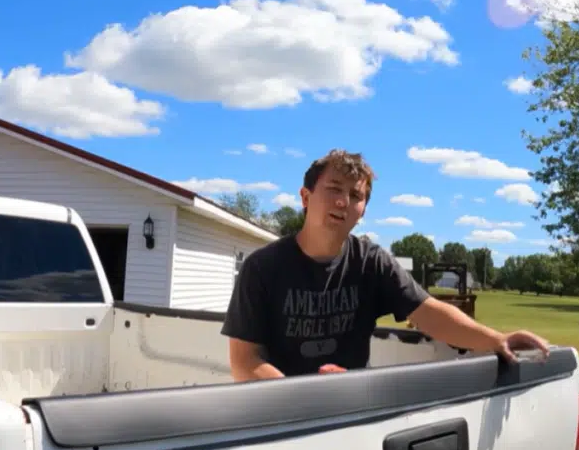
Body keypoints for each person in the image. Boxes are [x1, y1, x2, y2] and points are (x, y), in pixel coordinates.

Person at [221, 148, 550, 382]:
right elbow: (244, 361)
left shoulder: (371, 262)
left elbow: (429, 312)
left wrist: (496, 339)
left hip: (354, 414)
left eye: (355, 195)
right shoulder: (262, 268)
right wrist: (306, 398)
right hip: (279, 419)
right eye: (334, 189)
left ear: (362, 210)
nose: (343, 201)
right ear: (305, 197)